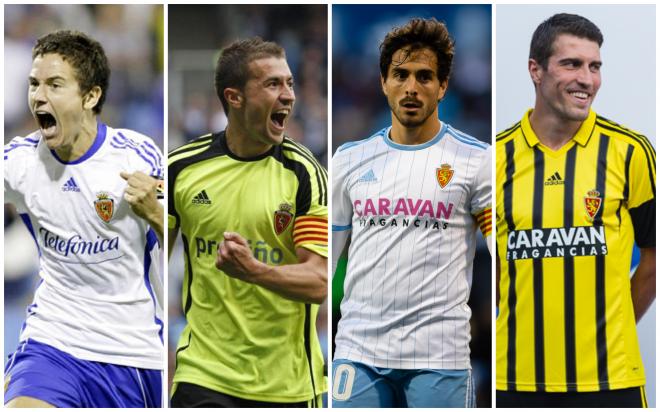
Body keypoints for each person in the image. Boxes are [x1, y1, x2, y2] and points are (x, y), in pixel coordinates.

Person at [495, 13, 655, 408]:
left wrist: (614, 329)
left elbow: (654, 257)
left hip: (611, 380)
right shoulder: (493, 158)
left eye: (594, 66)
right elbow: (493, 266)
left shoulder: (631, 152)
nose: (587, 79)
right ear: (536, 70)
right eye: (572, 64)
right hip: (515, 379)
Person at [331, 18, 492, 408]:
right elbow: (326, 257)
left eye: (424, 77)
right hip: (358, 352)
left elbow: (504, 257)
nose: (411, 88)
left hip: (439, 359)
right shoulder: (348, 160)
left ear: (443, 86)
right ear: (383, 81)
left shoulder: (478, 160)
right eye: (400, 74)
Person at [4, 30, 164, 408]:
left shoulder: (137, 157)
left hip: (131, 354)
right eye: (34, 84)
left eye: (54, 85)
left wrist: (155, 211)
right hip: (51, 342)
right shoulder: (19, 161)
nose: (38, 96)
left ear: (90, 96)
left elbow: (186, 239)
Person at [168, 37, 328, 408]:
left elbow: (318, 281)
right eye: (273, 84)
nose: (288, 94)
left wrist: (255, 271)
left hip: (286, 386)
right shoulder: (182, 168)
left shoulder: (305, 175)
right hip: (203, 374)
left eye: (289, 83)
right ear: (234, 97)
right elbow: (154, 254)